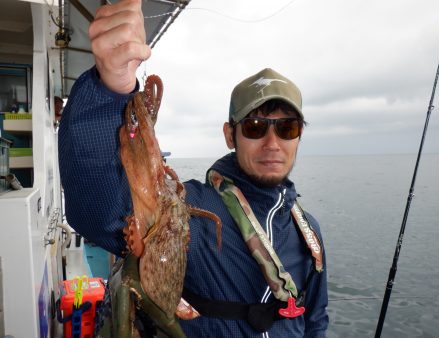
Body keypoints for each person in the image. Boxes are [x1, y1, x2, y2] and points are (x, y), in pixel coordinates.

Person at [58, 0, 328, 337]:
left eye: (287, 128)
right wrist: (110, 87)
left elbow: (316, 318)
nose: (273, 143)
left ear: (300, 135)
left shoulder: (309, 232)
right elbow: (99, 211)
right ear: (230, 135)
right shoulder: (190, 212)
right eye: (256, 126)